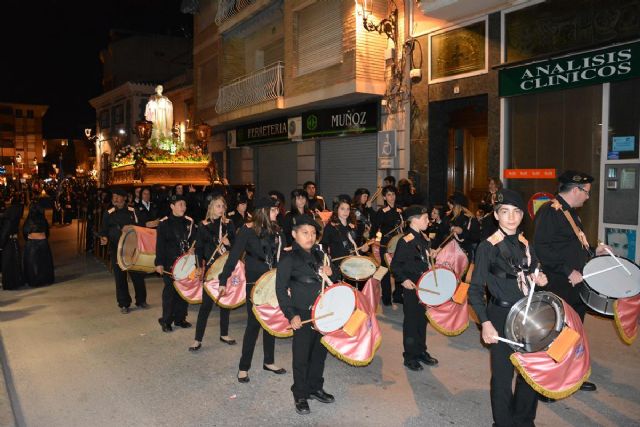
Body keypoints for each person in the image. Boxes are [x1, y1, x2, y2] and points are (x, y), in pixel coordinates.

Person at [469, 188, 549, 427]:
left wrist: (540, 277)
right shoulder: (488, 247)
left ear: (522, 215)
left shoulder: (525, 243)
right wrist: (485, 322)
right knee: (503, 377)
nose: (511, 217)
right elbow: (474, 289)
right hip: (501, 315)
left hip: (528, 313)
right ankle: (503, 422)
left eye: (516, 212)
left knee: (529, 371)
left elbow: (534, 269)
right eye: (505, 212)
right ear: (496, 215)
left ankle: (524, 419)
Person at [533, 170, 611, 394]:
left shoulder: (570, 213)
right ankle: (548, 383)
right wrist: (568, 271)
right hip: (560, 283)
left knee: (573, 331)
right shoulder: (550, 211)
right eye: (586, 192)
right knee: (556, 333)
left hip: (575, 284)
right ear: (576, 190)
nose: (588, 197)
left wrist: (595, 252)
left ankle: (570, 374)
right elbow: (542, 248)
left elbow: (572, 247)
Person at [276, 214, 340, 415]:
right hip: (302, 313)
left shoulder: (320, 254)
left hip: (322, 312)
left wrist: (332, 271)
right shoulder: (289, 258)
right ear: (294, 234)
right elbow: (280, 289)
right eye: (305, 233)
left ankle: (315, 387)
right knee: (301, 356)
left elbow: (334, 277)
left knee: (319, 354)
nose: (310, 237)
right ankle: (300, 394)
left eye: (313, 233)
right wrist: (290, 315)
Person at [218, 196, 286, 383]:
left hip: (273, 282)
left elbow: (284, 258)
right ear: (263, 211)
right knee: (254, 325)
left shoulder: (278, 231)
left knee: (270, 321)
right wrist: (223, 279)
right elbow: (233, 257)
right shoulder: (247, 231)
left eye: (277, 209)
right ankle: (243, 367)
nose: (277, 212)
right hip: (254, 284)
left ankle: (269, 361)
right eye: (273, 210)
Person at [390, 205, 439, 371]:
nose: (428, 220)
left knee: (422, 320)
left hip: (425, 285)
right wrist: (403, 280)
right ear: (415, 220)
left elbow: (423, 259)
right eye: (425, 218)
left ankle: (421, 351)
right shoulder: (405, 241)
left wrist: (430, 254)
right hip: (412, 286)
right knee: (411, 321)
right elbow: (395, 265)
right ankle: (409, 356)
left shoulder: (423, 238)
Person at [190, 194, 237, 351]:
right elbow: (199, 249)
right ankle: (197, 339)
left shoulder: (229, 224)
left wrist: (229, 243)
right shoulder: (203, 225)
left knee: (226, 302)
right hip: (211, 268)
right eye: (218, 206)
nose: (221, 209)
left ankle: (224, 334)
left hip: (226, 268)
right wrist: (198, 266)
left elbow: (237, 248)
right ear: (211, 207)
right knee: (206, 305)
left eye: (223, 206)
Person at [100, 189, 147, 313]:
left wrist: (131, 228)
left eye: (117, 196)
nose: (115, 199)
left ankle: (141, 300)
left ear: (125, 198)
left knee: (137, 275)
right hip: (117, 249)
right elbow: (103, 230)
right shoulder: (108, 213)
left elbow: (141, 227)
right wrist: (104, 238)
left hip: (132, 249)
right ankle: (124, 303)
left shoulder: (133, 211)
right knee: (120, 277)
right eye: (113, 196)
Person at [155, 194, 195, 331]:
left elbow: (194, 241)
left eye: (184, 204)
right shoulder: (164, 223)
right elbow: (159, 245)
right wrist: (158, 263)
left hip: (186, 263)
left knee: (183, 291)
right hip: (169, 263)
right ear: (172, 206)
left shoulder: (189, 221)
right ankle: (166, 321)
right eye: (180, 205)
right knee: (170, 293)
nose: (184, 207)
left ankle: (180, 319)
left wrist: (193, 249)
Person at [320, 194, 369, 288]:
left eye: (348, 209)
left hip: (354, 263)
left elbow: (356, 246)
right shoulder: (331, 227)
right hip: (338, 266)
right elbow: (323, 245)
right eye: (342, 208)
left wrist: (363, 249)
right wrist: (327, 261)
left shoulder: (353, 225)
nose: (345, 212)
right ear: (336, 209)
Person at [371, 185, 403, 305]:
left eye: (393, 194)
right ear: (384, 197)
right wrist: (375, 239)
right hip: (386, 245)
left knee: (400, 270)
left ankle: (398, 295)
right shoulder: (382, 212)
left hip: (399, 245)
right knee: (385, 271)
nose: (392, 197)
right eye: (389, 195)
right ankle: (386, 298)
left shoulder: (400, 210)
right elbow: (375, 228)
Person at [22, 202, 54, 287]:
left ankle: (33, 280)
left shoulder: (29, 219)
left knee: (32, 264)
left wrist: (28, 239)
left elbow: (25, 231)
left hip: (32, 243)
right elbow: (47, 233)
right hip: (43, 242)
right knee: (44, 263)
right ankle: (44, 280)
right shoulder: (43, 219)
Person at [446, 191, 481, 262]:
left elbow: (476, 237)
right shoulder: (451, 218)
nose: (449, 204)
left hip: (465, 254)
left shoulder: (469, 218)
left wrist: (462, 232)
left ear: (458, 205)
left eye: (452, 203)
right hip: (453, 253)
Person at [0, 195, 24, 290]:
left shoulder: (8, 220)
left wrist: (1, 244)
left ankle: (10, 283)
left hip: (8, 244)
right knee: (14, 263)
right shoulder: (14, 218)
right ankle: (16, 281)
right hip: (13, 242)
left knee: (7, 264)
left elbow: (4, 233)